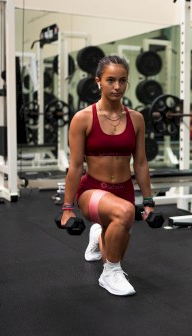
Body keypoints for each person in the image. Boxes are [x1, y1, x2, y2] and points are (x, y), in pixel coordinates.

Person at [61, 55, 155, 296]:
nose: (117, 87)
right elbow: (75, 166)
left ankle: (98, 235)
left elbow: (141, 163)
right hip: (92, 189)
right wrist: (67, 208)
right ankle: (109, 273)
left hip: (123, 191)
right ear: (98, 82)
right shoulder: (83, 118)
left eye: (122, 80)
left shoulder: (136, 118)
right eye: (110, 80)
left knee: (117, 239)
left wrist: (148, 202)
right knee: (124, 215)